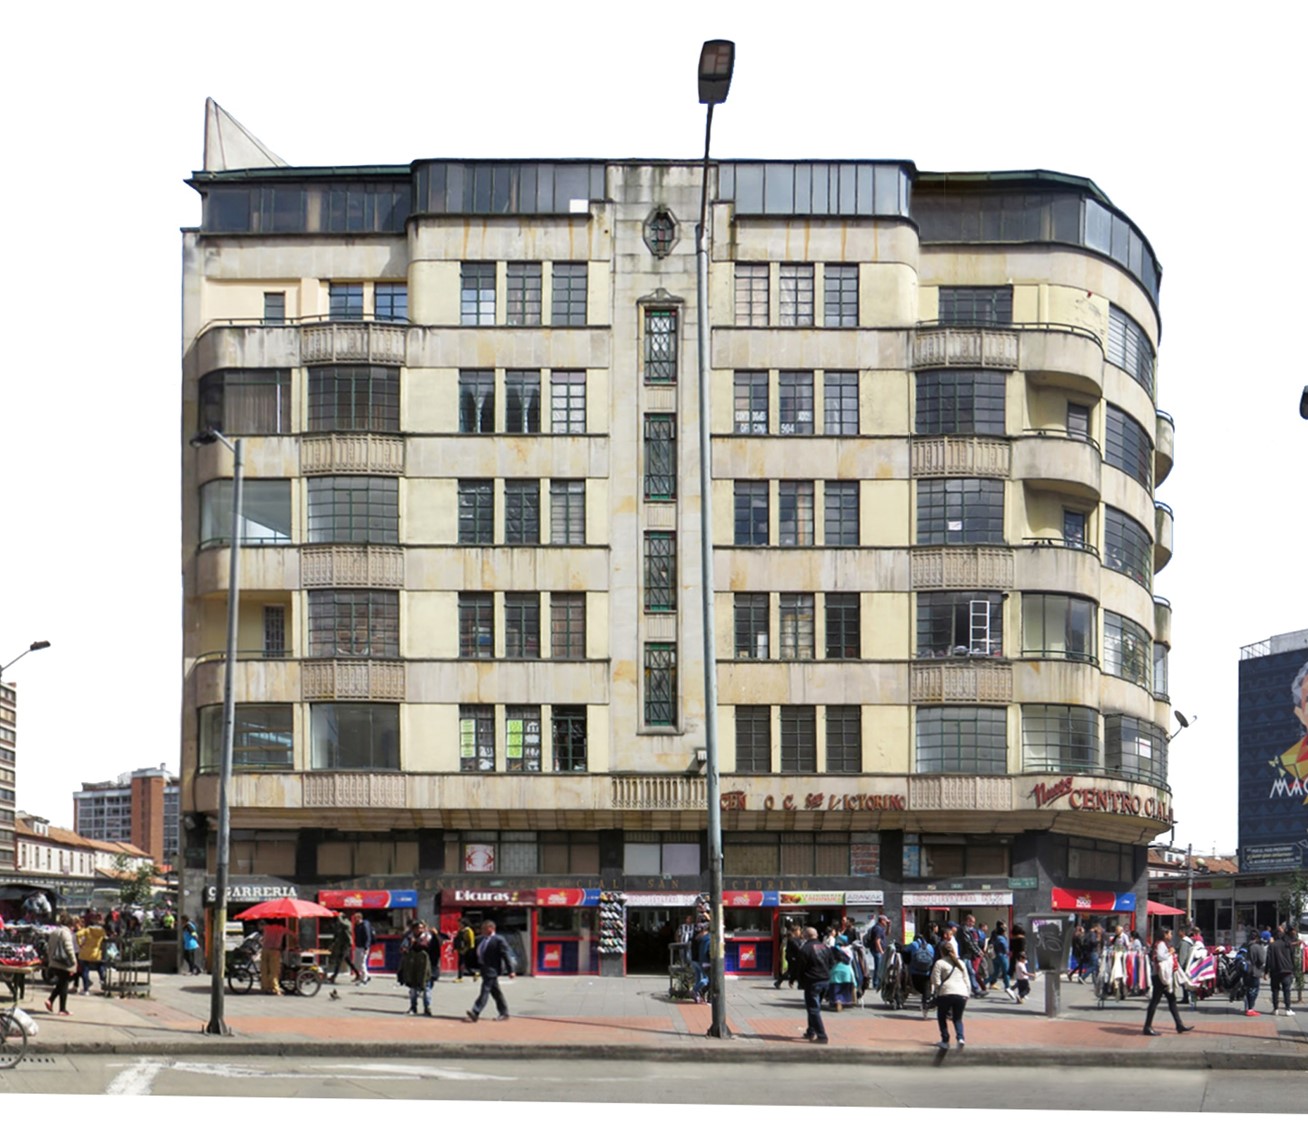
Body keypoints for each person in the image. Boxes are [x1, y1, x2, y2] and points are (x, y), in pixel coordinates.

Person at [1142, 927, 1194, 1036]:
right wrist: (1170, 952)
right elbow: (1160, 957)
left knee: (1171, 999)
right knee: (1155, 1001)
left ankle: (1179, 1025)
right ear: (1164, 934)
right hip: (1160, 977)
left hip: (1161, 976)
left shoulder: (1160, 943)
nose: (1171, 936)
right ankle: (1147, 1027)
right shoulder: (1161, 944)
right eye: (1170, 933)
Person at [465, 920, 515, 1022]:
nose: (482, 930)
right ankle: (504, 1013)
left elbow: (506, 955)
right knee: (496, 992)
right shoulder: (481, 939)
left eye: (484, 928)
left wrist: (511, 970)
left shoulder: (498, 940)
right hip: (484, 969)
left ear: (491, 928)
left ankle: (475, 1012)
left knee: (485, 990)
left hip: (492, 970)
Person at [930, 923, 970, 1049]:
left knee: (942, 1016)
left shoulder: (940, 963)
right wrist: (967, 993)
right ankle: (960, 1038)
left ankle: (945, 1040)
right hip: (962, 993)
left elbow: (935, 980)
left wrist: (938, 990)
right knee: (957, 1018)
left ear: (941, 952)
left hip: (946, 993)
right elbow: (967, 980)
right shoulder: (961, 963)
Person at [793, 926, 834, 1044]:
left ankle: (822, 1035)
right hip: (825, 980)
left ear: (806, 936)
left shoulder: (805, 949)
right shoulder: (825, 947)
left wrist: (799, 981)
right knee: (815, 1006)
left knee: (813, 1009)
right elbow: (832, 963)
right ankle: (811, 1031)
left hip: (812, 981)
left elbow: (800, 967)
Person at [44, 913, 79, 1016]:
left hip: (54, 961)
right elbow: (69, 948)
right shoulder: (66, 933)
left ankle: (50, 1000)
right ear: (70, 924)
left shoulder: (54, 932)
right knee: (64, 985)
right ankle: (62, 1009)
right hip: (63, 963)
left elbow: (49, 948)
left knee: (61, 983)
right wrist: (74, 961)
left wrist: (50, 960)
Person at [400, 921, 434, 1016]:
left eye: (421, 928)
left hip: (425, 965)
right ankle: (413, 1007)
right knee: (413, 988)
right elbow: (403, 947)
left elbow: (430, 948)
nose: (419, 930)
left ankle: (427, 1007)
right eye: (417, 928)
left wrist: (417, 943)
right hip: (413, 965)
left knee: (426, 987)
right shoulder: (409, 937)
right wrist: (406, 948)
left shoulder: (428, 937)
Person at [1267, 927, 1296, 1016]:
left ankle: (1275, 1009)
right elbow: (1292, 957)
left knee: (1275, 990)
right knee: (1287, 990)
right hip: (1287, 970)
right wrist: (1293, 968)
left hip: (1275, 970)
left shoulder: (1272, 945)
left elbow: (1268, 959)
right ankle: (1288, 1009)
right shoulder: (1288, 944)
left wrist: (1266, 971)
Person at [906, 932, 935, 1018]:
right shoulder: (929, 946)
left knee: (917, 986)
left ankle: (924, 1000)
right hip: (927, 972)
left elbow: (905, 951)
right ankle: (925, 1003)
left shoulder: (913, 944)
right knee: (926, 988)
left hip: (915, 971)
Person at [76, 914, 107, 994]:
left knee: (85, 971)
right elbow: (106, 938)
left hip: (85, 953)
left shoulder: (87, 930)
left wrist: (80, 944)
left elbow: (78, 934)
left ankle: (86, 990)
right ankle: (102, 980)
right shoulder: (102, 931)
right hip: (96, 953)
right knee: (100, 966)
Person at [327, 913, 357, 984]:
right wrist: (332, 944)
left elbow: (343, 924)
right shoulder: (340, 925)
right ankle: (358, 974)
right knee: (347, 960)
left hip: (347, 944)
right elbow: (337, 935)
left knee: (339, 960)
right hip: (342, 945)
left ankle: (334, 977)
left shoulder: (348, 923)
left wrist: (339, 915)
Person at [260, 919, 287, 996]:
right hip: (275, 951)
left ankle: (265, 987)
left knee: (264, 970)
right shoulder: (281, 928)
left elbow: (262, 937)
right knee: (274, 971)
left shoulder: (266, 928)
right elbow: (293, 934)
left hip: (265, 950)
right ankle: (275, 989)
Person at [987, 921, 1012, 995]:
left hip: (996, 955)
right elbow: (1003, 945)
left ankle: (984, 982)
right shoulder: (999, 935)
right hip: (1001, 955)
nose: (1005, 927)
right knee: (1006, 971)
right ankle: (1007, 986)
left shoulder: (996, 934)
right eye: (1004, 926)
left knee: (996, 972)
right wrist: (1007, 952)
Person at [776, 923, 803, 989]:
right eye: (798, 930)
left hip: (795, 957)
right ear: (795, 931)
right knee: (791, 971)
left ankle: (792, 982)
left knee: (795, 970)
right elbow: (797, 947)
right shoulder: (791, 939)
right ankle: (779, 982)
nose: (800, 932)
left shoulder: (797, 938)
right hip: (792, 957)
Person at [865, 915, 887, 990]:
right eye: (885, 921)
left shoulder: (881, 928)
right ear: (882, 920)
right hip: (877, 951)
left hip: (878, 950)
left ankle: (877, 983)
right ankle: (876, 984)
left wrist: (889, 925)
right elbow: (877, 941)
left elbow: (887, 934)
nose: (886, 922)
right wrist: (881, 951)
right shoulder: (877, 929)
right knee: (878, 967)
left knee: (879, 967)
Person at [352, 912, 373, 985]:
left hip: (363, 947)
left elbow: (368, 937)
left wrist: (366, 948)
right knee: (356, 963)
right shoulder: (356, 926)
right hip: (358, 946)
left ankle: (364, 979)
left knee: (362, 963)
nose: (355, 920)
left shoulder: (364, 925)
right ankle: (367, 975)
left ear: (359, 918)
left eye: (356, 918)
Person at [454, 918, 476, 982]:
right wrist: (455, 947)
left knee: (462, 963)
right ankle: (474, 973)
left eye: (460, 924)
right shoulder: (461, 931)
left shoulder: (468, 931)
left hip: (466, 950)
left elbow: (471, 941)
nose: (459, 925)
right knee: (463, 964)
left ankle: (460, 977)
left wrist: (468, 950)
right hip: (461, 949)